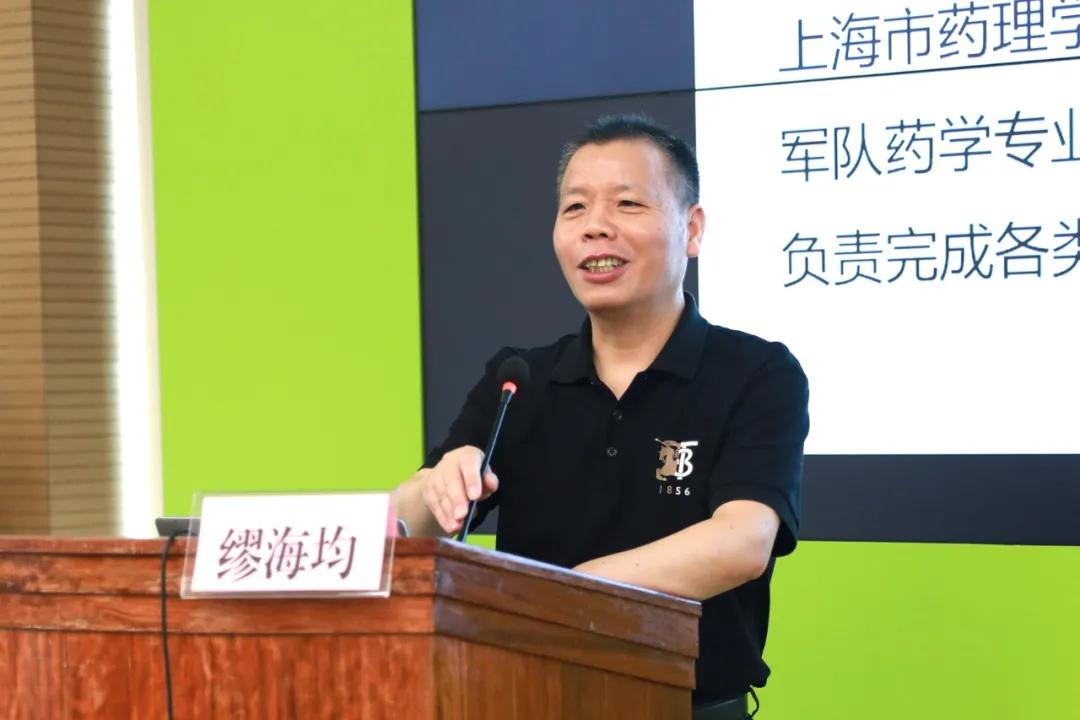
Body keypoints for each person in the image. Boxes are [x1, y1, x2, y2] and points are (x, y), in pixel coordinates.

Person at [392, 115, 809, 720]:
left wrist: (564, 595)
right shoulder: (519, 379)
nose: (595, 227)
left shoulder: (755, 372)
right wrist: (439, 482)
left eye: (627, 204)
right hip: (525, 700)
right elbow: (412, 523)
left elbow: (742, 541)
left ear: (692, 229)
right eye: (575, 208)